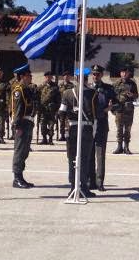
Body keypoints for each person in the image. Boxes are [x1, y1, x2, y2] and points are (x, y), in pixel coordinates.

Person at [59, 67, 97, 198]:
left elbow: (62, 112)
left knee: (72, 159)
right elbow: (97, 113)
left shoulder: (67, 93)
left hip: (72, 129)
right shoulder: (93, 93)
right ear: (87, 79)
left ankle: (73, 186)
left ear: (76, 78)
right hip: (86, 129)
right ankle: (84, 187)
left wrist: (63, 130)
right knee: (84, 159)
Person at [88, 64, 118, 192]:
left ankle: (100, 182)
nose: (95, 76)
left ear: (102, 75)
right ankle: (90, 181)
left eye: (98, 74)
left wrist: (111, 108)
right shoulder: (87, 88)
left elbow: (116, 103)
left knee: (100, 155)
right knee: (89, 154)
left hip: (101, 125)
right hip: (89, 126)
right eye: (93, 74)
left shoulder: (108, 89)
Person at [10, 64, 35, 189]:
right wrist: (17, 125)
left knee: (24, 151)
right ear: (22, 76)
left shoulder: (27, 89)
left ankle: (21, 176)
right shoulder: (19, 90)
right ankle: (17, 178)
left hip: (28, 123)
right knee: (19, 151)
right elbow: (17, 109)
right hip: (22, 124)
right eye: (28, 75)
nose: (31, 77)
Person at [112, 66, 139, 154]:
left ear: (128, 73)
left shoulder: (132, 84)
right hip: (119, 109)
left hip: (129, 109)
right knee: (119, 128)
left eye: (126, 72)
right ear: (120, 73)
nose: (124, 74)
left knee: (127, 129)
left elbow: (136, 96)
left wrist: (132, 95)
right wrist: (113, 108)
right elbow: (112, 96)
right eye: (122, 72)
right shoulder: (116, 83)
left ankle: (126, 147)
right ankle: (119, 147)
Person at [37, 71, 61, 145]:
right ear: (45, 77)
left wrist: (56, 107)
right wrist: (38, 107)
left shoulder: (55, 87)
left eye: (50, 77)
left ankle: (50, 139)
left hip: (51, 110)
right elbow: (37, 97)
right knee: (43, 125)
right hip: (43, 109)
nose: (49, 78)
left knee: (51, 125)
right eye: (47, 77)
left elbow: (58, 99)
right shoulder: (41, 86)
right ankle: (44, 138)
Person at [58, 70, 75, 142]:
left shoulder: (72, 86)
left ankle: (67, 134)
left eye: (68, 76)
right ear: (63, 77)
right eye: (65, 76)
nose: (66, 77)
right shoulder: (60, 85)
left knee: (68, 121)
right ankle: (62, 135)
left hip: (69, 106)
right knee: (61, 121)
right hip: (61, 105)